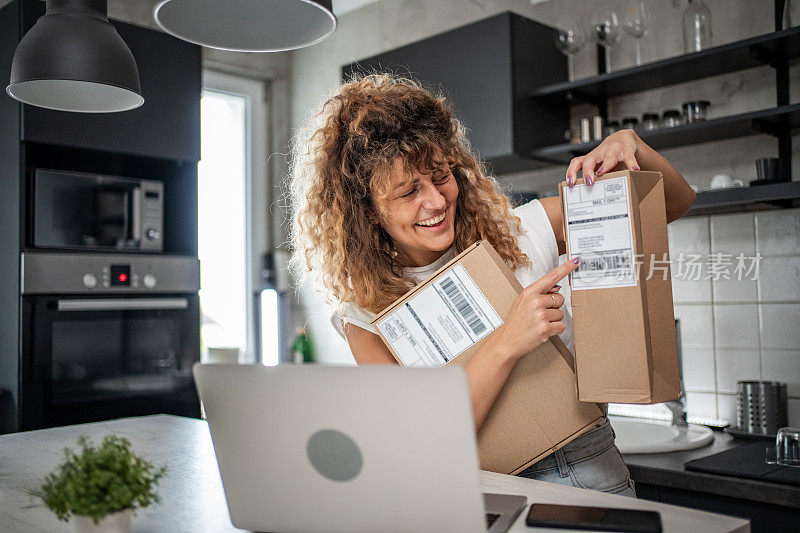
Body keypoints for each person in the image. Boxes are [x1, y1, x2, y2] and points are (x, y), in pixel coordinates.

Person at [288, 74, 696, 497]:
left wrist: (632, 145)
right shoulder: (365, 315)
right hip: (477, 490)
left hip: (588, 467)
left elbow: (673, 204)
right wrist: (509, 338)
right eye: (409, 191)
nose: (436, 201)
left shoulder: (521, 234)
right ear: (368, 211)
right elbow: (422, 442)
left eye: (440, 175)